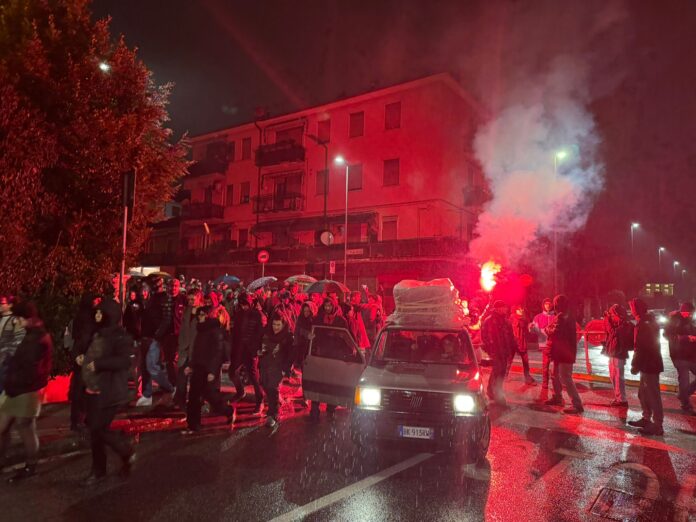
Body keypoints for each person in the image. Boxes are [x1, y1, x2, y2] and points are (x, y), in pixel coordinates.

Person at [78, 298, 135, 486]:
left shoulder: (121, 337)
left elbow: (124, 361)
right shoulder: (97, 334)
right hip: (93, 389)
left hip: (109, 391)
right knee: (96, 432)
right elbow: (89, 351)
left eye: (101, 313)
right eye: (97, 313)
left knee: (98, 430)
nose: (97, 316)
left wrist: (100, 364)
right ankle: (99, 470)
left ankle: (125, 450)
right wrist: (81, 357)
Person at [0, 302, 52, 482]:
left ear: (27, 318)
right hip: (16, 389)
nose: (17, 322)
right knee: (3, 426)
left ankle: (31, 466)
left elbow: (30, 369)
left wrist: (12, 380)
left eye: (19, 319)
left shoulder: (37, 338)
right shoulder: (33, 334)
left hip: (26, 390)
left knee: (26, 428)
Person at [182, 306, 235, 434]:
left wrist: (212, 371)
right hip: (199, 367)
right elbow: (196, 350)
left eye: (200, 315)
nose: (198, 318)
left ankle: (228, 410)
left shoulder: (215, 331)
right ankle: (193, 425)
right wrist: (191, 365)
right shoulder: (202, 330)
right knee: (194, 396)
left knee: (210, 396)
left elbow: (217, 352)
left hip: (208, 369)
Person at [308, 298, 348, 421]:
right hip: (320, 355)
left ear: (334, 306)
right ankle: (315, 408)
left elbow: (346, 337)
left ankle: (331, 408)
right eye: (325, 306)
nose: (327, 308)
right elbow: (314, 334)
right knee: (318, 382)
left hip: (335, 356)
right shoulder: (318, 318)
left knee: (332, 383)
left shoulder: (341, 320)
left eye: (330, 306)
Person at [628, 298, 664, 435]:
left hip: (649, 364)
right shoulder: (648, 322)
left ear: (636, 309)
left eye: (632, 307)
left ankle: (657, 424)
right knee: (643, 393)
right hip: (649, 363)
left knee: (652, 395)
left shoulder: (643, 324)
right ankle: (646, 418)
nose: (631, 310)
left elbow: (640, 347)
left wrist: (634, 364)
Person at [137, 277, 174, 406]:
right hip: (146, 336)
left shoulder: (165, 298)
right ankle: (147, 395)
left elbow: (166, 319)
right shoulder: (150, 299)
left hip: (155, 338)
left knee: (152, 366)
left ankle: (169, 388)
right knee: (145, 367)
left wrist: (158, 335)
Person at [545, 295, 584, 414]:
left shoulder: (562, 316)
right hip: (562, 352)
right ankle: (557, 397)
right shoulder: (568, 315)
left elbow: (555, 331)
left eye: (555, 303)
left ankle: (577, 404)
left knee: (565, 377)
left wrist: (547, 329)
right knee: (554, 375)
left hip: (563, 353)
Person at [229, 293, 264, 412]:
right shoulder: (239, 314)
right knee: (232, 372)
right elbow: (235, 332)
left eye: (245, 304)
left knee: (254, 377)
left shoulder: (258, 314)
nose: (244, 307)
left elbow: (261, 333)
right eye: (242, 305)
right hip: (239, 349)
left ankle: (260, 400)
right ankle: (240, 392)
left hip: (251, 350)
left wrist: (257, 349)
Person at [68, 294, 99, 432]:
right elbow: (85, 339)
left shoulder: (78, 317)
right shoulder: (88, 319)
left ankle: (79, 419)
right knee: (83, 390)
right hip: (85, 357)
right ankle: (81, 420)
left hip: (80, 356)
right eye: (95, 300)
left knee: (80, 389)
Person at [258, 315, 293, 434]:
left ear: (283, 325)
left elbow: (290, 354)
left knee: (273, 389)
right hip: (265, 365)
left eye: (278, 325)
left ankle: (272, 414)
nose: (276, 327)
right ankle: (275, 408)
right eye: (274, 324)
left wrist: (286, 368)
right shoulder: (267, 334)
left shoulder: (287, 337)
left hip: (278, 368)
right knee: (266, 387)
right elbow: (260, 345)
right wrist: (259, 352)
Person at [481, 300, 516, 406]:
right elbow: (484, 336)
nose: (504, 309)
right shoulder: (489, 321)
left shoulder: (506, 321)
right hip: (495, 351)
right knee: (498, 371)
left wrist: (512, 348)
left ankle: (491, 390)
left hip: (504, 351)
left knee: (500, 371)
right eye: (502, 307)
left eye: (505, 307)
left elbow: (510, 337)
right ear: (496, 308)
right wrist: (489, 349)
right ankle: (498, 394)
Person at [664, 302, 696, 413]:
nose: (690, 315)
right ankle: (685, 404)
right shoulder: (673, 320)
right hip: (678, 355)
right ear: (683, 311)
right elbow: (667, 335)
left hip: (691, 355)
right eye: (689, 313)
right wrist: (686, 338)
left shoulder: (690, 320)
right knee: (684, 380)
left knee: (685, 382)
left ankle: (684, 395)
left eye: (691, 313)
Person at [175, 290, 202, 410]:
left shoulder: (202, 313)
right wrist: (180, 346)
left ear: (198, 299)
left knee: (195, 383)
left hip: (196, 351)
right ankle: (181, 403)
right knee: (181, 380)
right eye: (189, 299)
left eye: (193, 299)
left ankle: (194, 405)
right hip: (184, 350)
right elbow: (182, 330)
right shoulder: (185, 311)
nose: (190, 302)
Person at [603, 304, 633, 407]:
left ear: (618, 314)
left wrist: (607, 320)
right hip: (613, 353)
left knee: (619, 377)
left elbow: (612, 332)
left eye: (612, 314)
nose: (611, 316)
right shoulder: (617, 324)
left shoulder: (624, 325)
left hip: (619, 354)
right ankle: (618, 398)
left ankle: (622, 400)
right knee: (613, 376)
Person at [531, 298, 555, 393]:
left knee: (555, 368)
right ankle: (545, 384)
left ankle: (555, 385)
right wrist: (532, 328)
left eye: (549, 304)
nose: (548, 306)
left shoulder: (556, 316)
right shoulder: (538, 317)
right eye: (546, 304)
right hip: (544, 345)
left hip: (555, 346)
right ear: (543, 306)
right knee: (545, 366)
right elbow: (534, 331)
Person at [510, 305, 535, 385]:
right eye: (519, 309)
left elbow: (527, 330)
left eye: (522, 308)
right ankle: (504, 377)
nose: (521, 310)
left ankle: (527, 378)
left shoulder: (523, 319)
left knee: (525, 361)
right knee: (509, 360)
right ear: (515, 310)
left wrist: (530, 327)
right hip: (514, 342)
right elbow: (520, 325)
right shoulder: (514, 318)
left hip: (521, 341)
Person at [293, 301, 317, 370]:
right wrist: (306, 334)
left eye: (308, 311)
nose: (306, 313)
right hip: (300, 345)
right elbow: (298, 330)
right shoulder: (300, 318)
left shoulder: (313, 320)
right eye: (305, 311)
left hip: (309, 346)